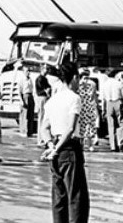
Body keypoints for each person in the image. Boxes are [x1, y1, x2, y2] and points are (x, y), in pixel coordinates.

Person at [40, 64, 90, 223]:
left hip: (55, 145)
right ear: (74, 77)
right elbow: (70, 129)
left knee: (59, 196)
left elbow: (44, 128)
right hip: (69, 147)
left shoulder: (52, 100)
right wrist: (57, 148)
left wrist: (51, 146)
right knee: (76, 197)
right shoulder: (74, 98)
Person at [99, 70, 123, 152]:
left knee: (111, 125)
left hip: (109, 103)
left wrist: (103, 109)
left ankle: (113, 146)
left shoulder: (104, 85)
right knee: (122, 123)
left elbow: (103, 98)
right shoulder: (119, 84)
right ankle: (121, 144)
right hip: (118, 102)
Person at [75, 69, 100, 151]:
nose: (86, 79)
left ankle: (90, 144)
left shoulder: (91, 84)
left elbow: (94, 96)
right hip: (82, 107)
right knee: (82, 127)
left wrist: (95, 106)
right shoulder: (79, 84)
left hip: (88, 107)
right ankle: (82, 145)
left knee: (89, 127)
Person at [33, 64, 51, 139]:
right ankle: (40, 137)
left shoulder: (44, 78)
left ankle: (41, 137)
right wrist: (47, 91)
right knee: (42, 117)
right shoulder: (40, 79)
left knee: (43, 118)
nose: (46, 71)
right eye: (45, 69)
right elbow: (43, 88)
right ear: (42, 70)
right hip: (42, 98)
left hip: (43, 98)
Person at [20, 65, 37, 137]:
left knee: (31, 115)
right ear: (23, 72)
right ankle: (23, 131)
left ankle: (30, 131)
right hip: (25, 96)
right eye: (27, 71)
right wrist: (21, 100)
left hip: (30, 96)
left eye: (29, 71)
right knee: (24, 115)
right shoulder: (22, 80)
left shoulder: (30, 79)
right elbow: (19, 91)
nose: (28, 72)